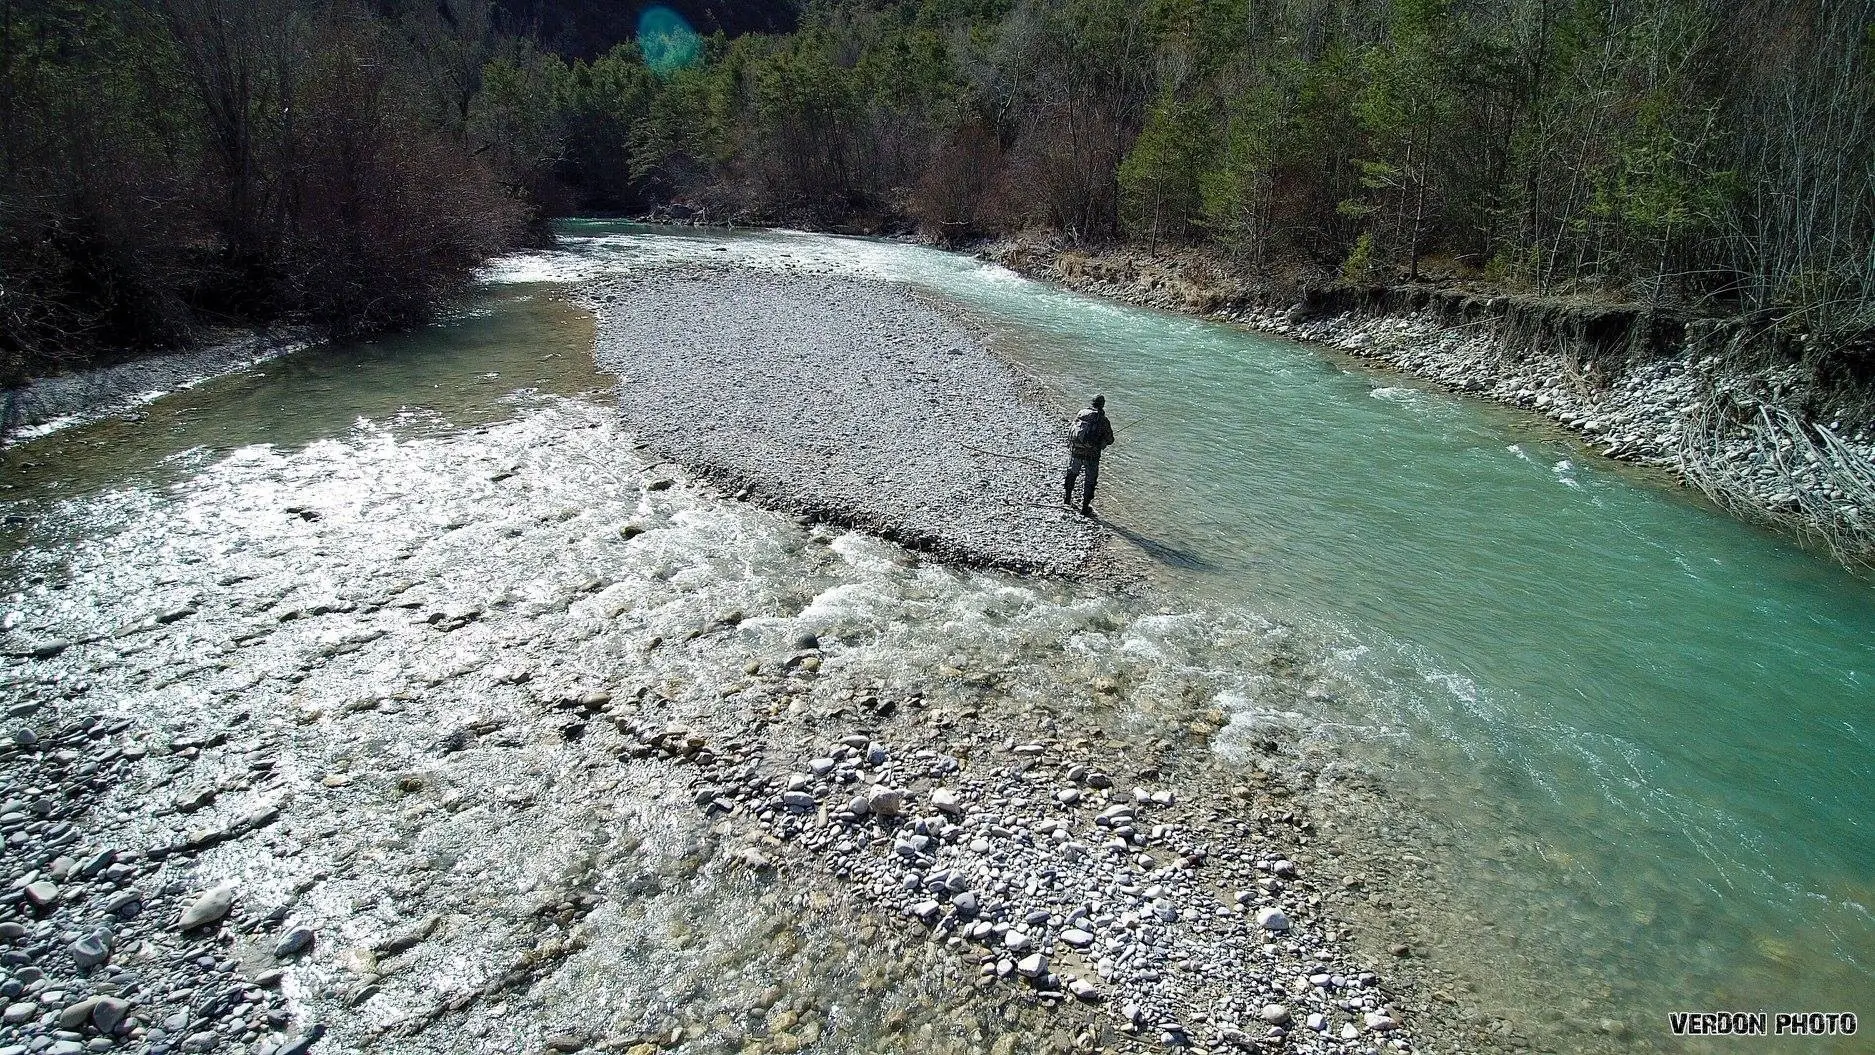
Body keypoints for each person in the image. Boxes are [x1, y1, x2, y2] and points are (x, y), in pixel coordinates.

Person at [1063, 394, 1115, 516]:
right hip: (1092, 455)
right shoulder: (1102, 420)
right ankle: (1084, 508)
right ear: (1102, 405)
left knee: (1071, 474)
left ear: (1091, 403)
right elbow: (1111, 439)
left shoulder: (1081, 413)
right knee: (1090, 481)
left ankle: (1067, 499)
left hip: (1076, 451)